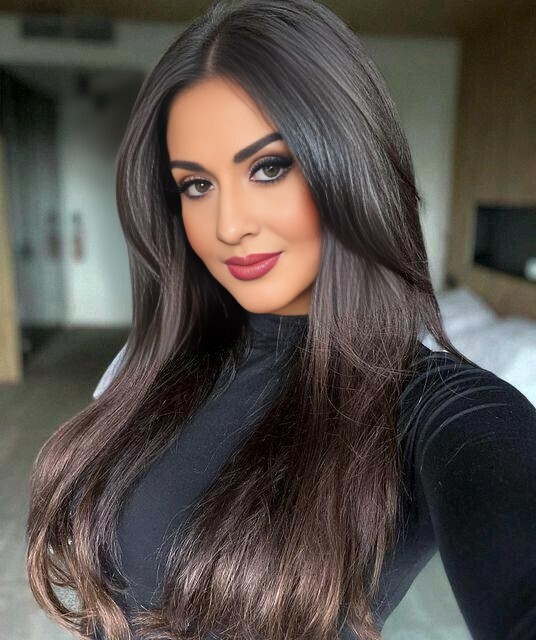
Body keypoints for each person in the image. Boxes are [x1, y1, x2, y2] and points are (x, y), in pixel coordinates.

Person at [25, 1, 536, 639]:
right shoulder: (155, 364)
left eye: (269, 168)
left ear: (349, 169)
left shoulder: (430, 408)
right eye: (196, 185)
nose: (229, 225)